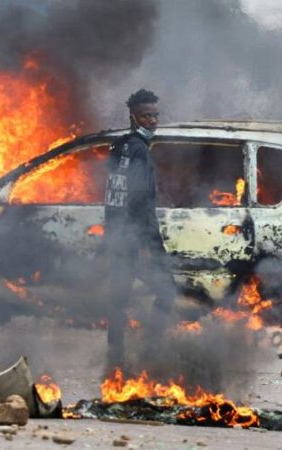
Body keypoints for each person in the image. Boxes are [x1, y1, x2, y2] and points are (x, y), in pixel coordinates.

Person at [103, 89, 176, 370]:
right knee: (167, 291)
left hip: (117, 236)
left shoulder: (118, 147)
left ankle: (116, 353)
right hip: (135, 239)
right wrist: (153, 245)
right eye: (147, 116)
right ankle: (151, 349)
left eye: (156, 115)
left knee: (119, 297)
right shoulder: (139, 151)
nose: (153, 121)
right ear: (133, 117)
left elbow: (112, 194)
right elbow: (140, 200)